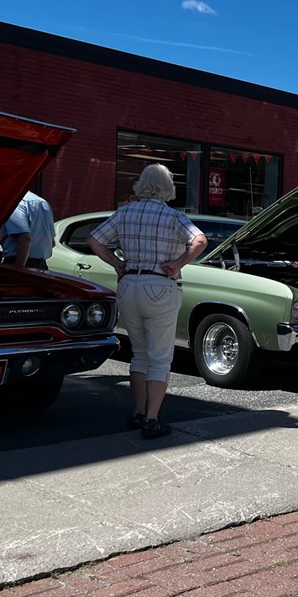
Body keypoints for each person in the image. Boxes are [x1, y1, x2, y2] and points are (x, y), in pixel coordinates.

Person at [88, 164, 206, 439]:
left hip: (129, 284)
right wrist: (177, 263)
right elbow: (199, 240)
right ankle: (153, 419)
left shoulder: (125, 212)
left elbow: (95, 240)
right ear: (168, 187)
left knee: (138, 353)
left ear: (142, 184)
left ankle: (138, 412)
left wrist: (117, 263)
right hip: (159, 284)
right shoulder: (173, 216)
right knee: (160, 358)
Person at [1, 190, 55, 269]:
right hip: (42, 266)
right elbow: (52, 242)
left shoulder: (15, 203)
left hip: (18, 262)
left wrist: (18, 269)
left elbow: (25, 237)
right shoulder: (43, 203)